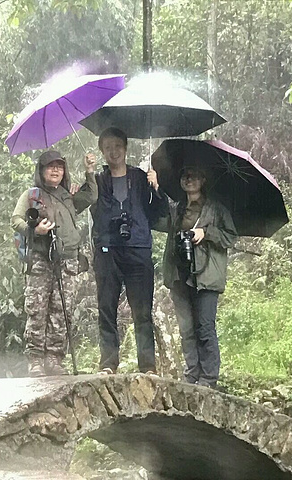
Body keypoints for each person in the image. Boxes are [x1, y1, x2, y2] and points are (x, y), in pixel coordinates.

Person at [11, 150, 97, 377]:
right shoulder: (31, 195)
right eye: (50, 166)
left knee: (62, 310)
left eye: (59, 166)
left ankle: (54, 359)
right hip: (40, 260)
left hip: (67, 260)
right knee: (37, 309)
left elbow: (91, 197)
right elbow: (16, 220)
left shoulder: (68, 195)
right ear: (41, 171)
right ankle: (36, 360)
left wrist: (89, 171)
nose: (56, 170)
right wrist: (35, 230)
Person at [91, 127, 167, 375]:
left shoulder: (141, 178)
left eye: (117, 146)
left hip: (138, 247)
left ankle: (147, 366)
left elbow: (159, 213)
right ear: (102, 152)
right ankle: (108, 363)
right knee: (106, 308)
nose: (113, 151)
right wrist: (87, 175)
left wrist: (156, 188)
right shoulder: (98, 181)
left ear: (125, 148)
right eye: (107, 148)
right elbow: (83, 204)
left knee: (142, 310)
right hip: (107, 249)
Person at [156, 166, 237, 389]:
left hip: (206, 276)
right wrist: (155, 189)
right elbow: (158, 221)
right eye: (185, 176)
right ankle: (192, 375)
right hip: (179, 275)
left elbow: (231, 237)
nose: (189, 180)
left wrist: (206, 232)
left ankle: (208, 378)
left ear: (203, 179)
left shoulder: (216, 208)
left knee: (205, 327)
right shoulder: (177, 209)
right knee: (186, 329)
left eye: (194, 176)